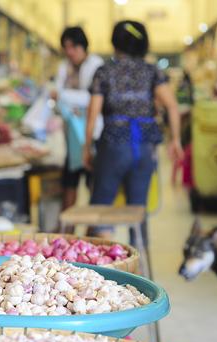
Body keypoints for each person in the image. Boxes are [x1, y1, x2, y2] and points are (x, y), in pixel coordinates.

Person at [83, 20, 184, 240]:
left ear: (115, 42)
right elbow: (172, 105)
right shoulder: (152, 71)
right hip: (144, 148)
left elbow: (92, 115)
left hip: (113, 148)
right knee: (138, 210)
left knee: (102, 208)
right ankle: (139, 265)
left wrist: (87, 147)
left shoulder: (105, 71)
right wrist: (175, 140)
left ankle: (108, 266)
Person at [53, 27, 104, 213]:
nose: (69, 52)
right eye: (66, 47)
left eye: (73, 46)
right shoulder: (64, 68)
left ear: (83, 46)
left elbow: (92, 99)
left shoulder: (96, 65)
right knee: (69, 183)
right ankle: (67, 233)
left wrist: (63, 95)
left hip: (93, 136)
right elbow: (59, 100)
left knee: (93, 186)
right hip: (73, 137)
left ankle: (93, 232)